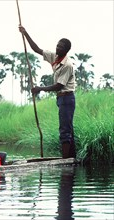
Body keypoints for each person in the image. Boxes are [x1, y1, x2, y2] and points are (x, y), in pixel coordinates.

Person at [19, 25, 76, 159]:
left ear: (66, 50)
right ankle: (71, 157)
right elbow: (36, 49)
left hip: (67, 98)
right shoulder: (54, 56)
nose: (57, 48)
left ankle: (66, 160)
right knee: (68, 128)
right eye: (57, 45)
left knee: (65, 130)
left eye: (61, 47)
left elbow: (59, 86)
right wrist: (25, 33)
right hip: (61, 99)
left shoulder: (67, 65)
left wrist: (40, 88)